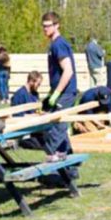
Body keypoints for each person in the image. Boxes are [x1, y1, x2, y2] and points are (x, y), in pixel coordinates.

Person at [42, 11, 78, 161]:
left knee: (57, 126)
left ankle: (55, 159)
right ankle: (69, 167)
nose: (45, 29)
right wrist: (51, 94)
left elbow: (68, 71)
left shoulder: (59, 44)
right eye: (43, 26)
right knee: (55, 125)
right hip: (59, 92)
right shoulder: (54, 45)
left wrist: (57, 93)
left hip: (66, 93)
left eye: (48, 26)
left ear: (57, 25)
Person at [11, 71, 45, 149]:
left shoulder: (35, 94)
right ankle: (19, 141)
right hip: (24, 125)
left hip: (36, 125)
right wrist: (33, 116)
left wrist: (42, 113)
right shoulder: (20, 94)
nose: (39, 86)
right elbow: (17, 115)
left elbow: (37, 110)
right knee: (38, 145)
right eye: (38, 84)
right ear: (31, 81)